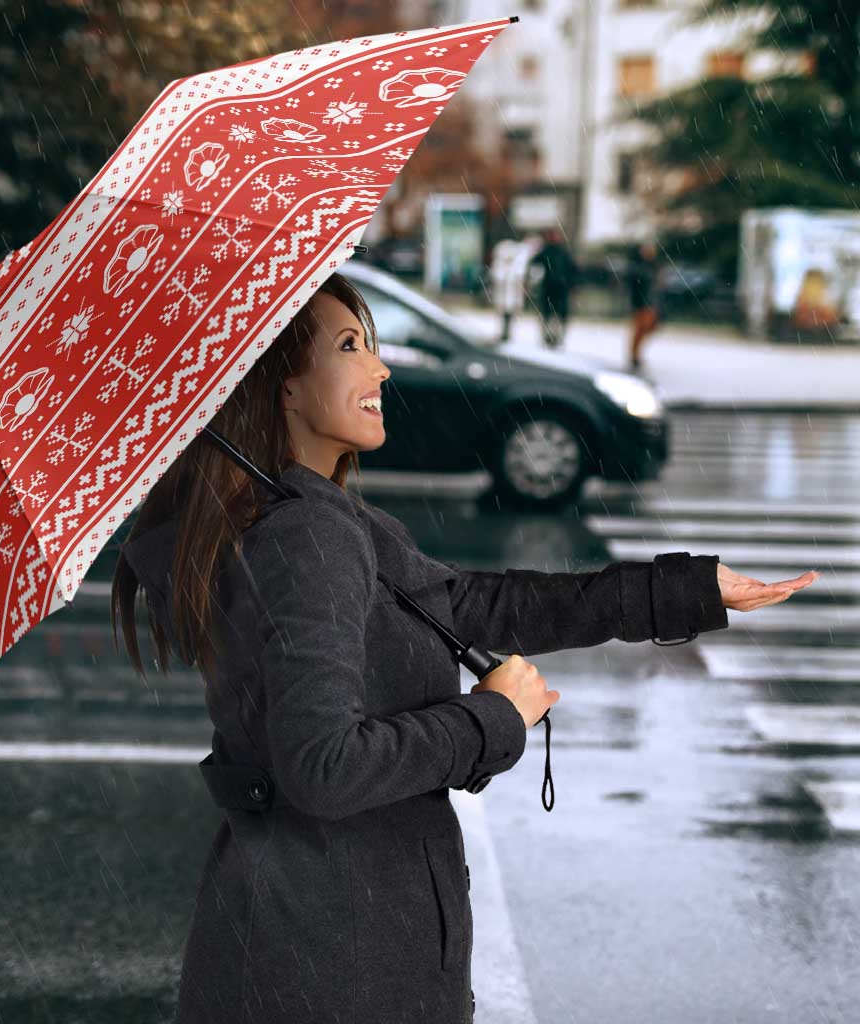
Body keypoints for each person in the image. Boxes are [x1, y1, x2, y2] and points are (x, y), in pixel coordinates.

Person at [111, 271, 803, 1024]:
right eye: (350, 346)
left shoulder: (304, 518)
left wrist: (686, 591)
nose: (379, 368)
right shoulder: (305, 537)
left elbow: (473, 605)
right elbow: (324, 768)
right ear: (281, 386)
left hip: (311, 942)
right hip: (336, 963)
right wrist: (494, 719)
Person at [528, 226, 578, 349]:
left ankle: (555, 337)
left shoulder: (561, 252)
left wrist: (571, 284)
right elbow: (534, 264)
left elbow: (572, 270)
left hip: (559, 288)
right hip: (551, 288)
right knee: (549, 314)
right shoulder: (548, 251)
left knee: (556, 315)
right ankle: (549, 337)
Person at [626, 239, 662, 371]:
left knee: (648, 328)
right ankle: (634, 355)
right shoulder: (638, 267)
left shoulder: (653, 266)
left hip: (650, 303)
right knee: (640, 329)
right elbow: (635, 286)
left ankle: (636, 354)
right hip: (641, 303)